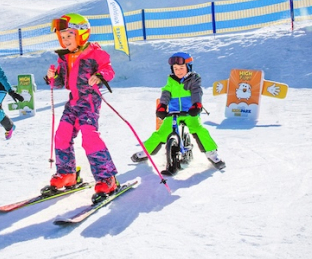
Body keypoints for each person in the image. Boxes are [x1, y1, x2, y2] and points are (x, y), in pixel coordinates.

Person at [44, 13, 119, 200]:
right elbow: (61, 82)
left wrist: (100, 75)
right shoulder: (64, 58)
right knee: (62, 135)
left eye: (69, 35)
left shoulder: (95, 53)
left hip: (90, 101)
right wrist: (52, 78)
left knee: (89, 137)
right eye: (62, 37)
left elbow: (108, 69)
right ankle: (67, 174)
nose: (65, 40)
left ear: (82, 34)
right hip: (73, 101)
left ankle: (107, 178)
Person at [131, 52, 225, 169]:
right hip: (174, 113)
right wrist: (162, 105)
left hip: (190, 112)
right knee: (161, 133)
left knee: (198, 129)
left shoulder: (194, 79)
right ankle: (145, 152)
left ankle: (212, 154)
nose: (178, 71)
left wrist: (196, 104)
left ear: (188, 67)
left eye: (181, 68)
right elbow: (166, 93)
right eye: (175, 68)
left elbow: (196, 91)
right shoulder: (171, 80)